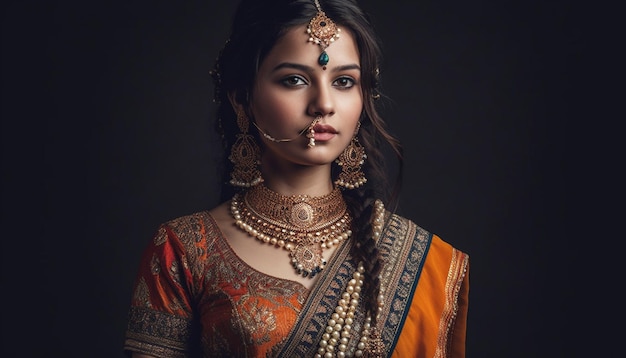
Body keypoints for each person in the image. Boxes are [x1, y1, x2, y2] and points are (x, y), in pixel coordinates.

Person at [123, 0, 469, 357]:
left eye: (344, 81)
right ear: (242, 98)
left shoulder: (425, 260)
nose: (323, 103)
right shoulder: (184, 250)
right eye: (295, 80)